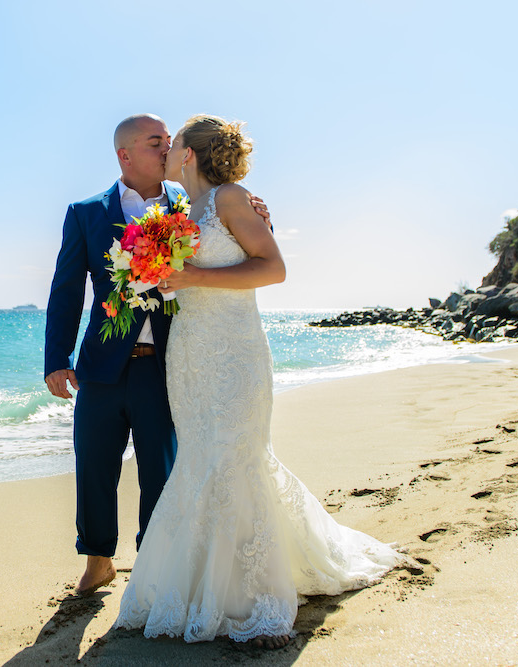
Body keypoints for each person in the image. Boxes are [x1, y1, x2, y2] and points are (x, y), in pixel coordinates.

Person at [113, 115, 401, 649]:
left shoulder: (230, 198)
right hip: (190, 354)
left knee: (236, 455)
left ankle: (256, 599)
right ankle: (197, 587)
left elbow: (273, 268)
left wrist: (192, 275)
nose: (168, 148)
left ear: (190, 154)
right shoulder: (178, 209)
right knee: (201, 456)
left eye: (173, 142)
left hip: (235, 351)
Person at [44, 114, 270, 597]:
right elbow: (66, 291)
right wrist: (56, 358)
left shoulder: (192, 204)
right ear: (124, 154)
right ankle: (98, 559)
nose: (166, 148)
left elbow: (233, 237)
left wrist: (265, 213)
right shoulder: (85, 212)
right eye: (155, 143)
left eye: (169, 141)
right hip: (101, 366)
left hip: (169, 361)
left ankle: (155, 562)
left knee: (161, 468)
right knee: (94, 463)